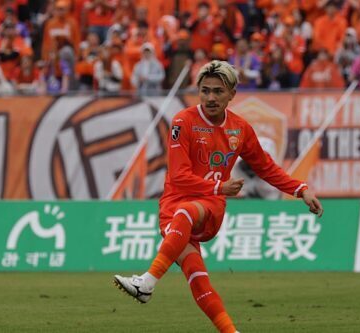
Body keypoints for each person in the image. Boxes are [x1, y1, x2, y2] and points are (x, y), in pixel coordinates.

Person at [113, 60, 324, 333]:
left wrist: (300, 189)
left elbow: (265, 167)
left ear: (232, 94)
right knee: (197, 276)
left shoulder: (240, 129)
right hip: (173, 207)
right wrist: (219, 187)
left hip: (208, 208)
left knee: (187, 212)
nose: (210, 97)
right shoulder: (183, 121)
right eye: (205, 90)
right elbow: (178, 177)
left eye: (218, 91)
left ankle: (147, 282)